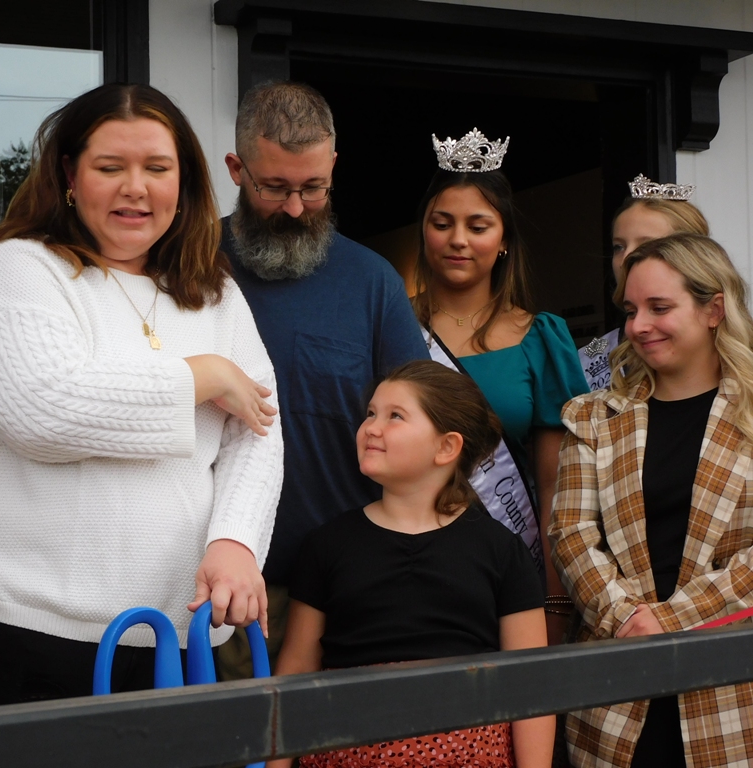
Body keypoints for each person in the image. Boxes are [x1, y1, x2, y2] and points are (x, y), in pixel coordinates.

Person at [0, 83, 284, 705]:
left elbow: (257, 432)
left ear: (184, 181)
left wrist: (236, 542)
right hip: (25, 614)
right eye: (110, 167)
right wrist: (203, 376)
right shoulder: (18, 267)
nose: (135, 188)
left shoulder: (216, 294)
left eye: (157, 168)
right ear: (70, 176)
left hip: (178, 625)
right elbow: (42, 410)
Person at [217, 81, 429, 676]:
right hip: (218, 595)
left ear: (334, 166)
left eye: (313, 188)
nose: (294, 208)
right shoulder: (188, 264)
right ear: (236, 169)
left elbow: (420, 431)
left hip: (348, 594)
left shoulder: (373, 281)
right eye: (274, 187)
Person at [269, 360, 552, 768]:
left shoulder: (501, 550)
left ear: (446, 447)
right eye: (370, 413)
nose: (371, 427)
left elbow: (529, 683)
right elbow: (297, 669)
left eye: (395, 416)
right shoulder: (326, 545)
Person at [551, 232, 753, 767]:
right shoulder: (592, 416)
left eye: (659, 308)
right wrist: (624, 620)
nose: (638, 325)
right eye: (631, 309)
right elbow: (570, 535)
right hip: (616, 690)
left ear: (714, 310)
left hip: (734, 694)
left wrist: (671, 619)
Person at [413, 128, 589, 643]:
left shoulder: (541, 338)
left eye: (478, 225)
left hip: (511, 573)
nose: (458, 239)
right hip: (412, 566)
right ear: (424, 231)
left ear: (505, 238)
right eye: (442, 223)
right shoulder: (390, 327)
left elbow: (558, 485)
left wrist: (555, 600)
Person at [578, 174, 710, 390]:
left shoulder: (738, 356)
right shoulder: (591, 357)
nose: (627, 258)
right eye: (619, 247)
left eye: (647, 245)